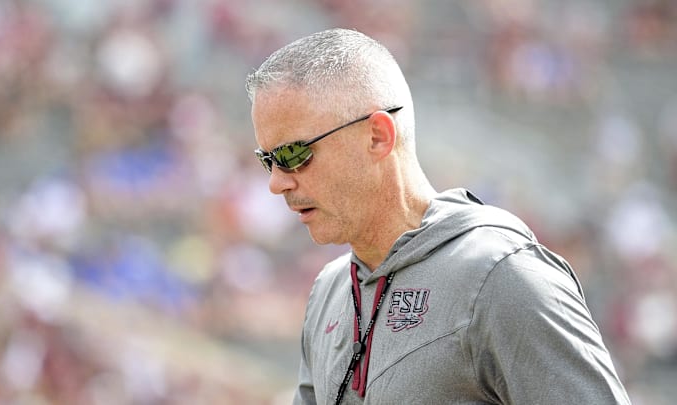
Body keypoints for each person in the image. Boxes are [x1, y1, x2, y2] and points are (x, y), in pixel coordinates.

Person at [246, 28, 631, 405]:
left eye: (293, 155)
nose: (277, 183)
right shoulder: (329, 292)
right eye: (268, 161)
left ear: (377, 136)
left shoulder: (503, 277)